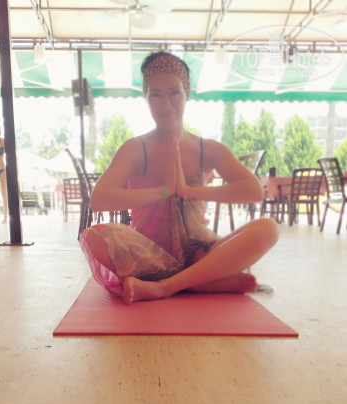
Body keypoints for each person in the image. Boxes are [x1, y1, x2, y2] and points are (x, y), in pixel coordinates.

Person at [80, 51, 279, 305]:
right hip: (150, 255)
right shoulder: (135, 149)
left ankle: (167, 286)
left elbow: (254, 191)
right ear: (146, 97)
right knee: (95, 237)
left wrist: (189, 190)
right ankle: (200, 281)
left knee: (268, 229)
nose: (166, 105)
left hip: (202, 252)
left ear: (187, 93)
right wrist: (163, 190)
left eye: (174, 93)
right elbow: (99, 199)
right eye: (156, 95)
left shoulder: (207, 149)